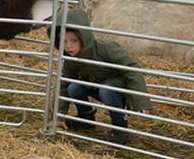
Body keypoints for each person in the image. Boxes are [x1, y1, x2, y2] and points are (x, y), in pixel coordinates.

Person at [55, 9, 151, 146]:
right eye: (64, 42)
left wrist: (141, 102)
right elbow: (64, 84)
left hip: (116, 89)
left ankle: (120, 128)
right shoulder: (71, 59)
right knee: (73, 87)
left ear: (84, 37)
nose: (68, 46)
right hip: (95, 86)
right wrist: (59, 115)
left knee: (106, 90)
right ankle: (86, 118)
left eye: (74, 40)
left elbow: (131, 69)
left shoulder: (106, 48)